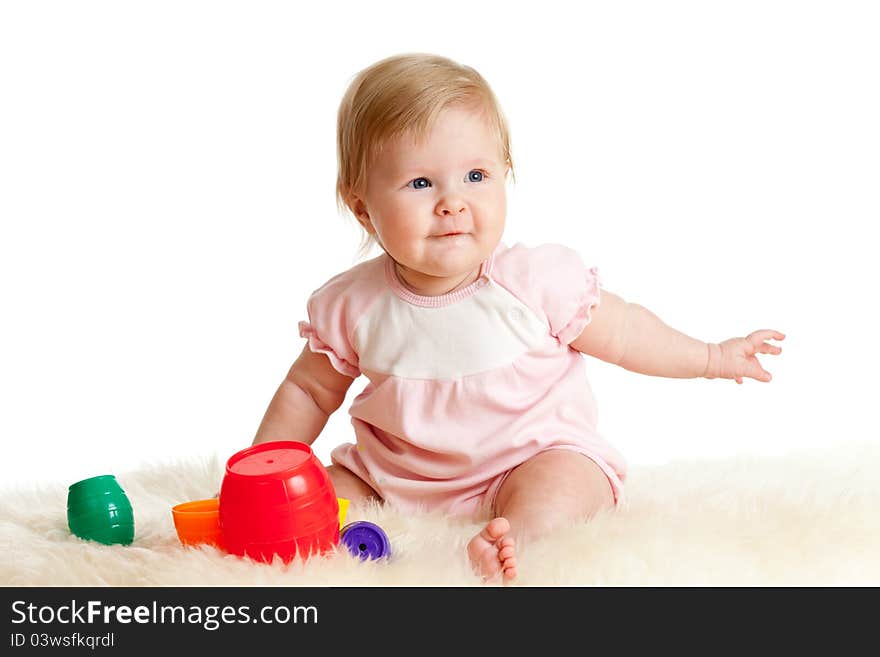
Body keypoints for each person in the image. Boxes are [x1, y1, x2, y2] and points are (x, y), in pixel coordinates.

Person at [252, 53, 785, 582]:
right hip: (395, 476)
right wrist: (262, 474)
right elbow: (308, 391)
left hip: (527, 458)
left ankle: (513, 544)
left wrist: (713, 356)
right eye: (420, 184)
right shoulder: (353, 304)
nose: (452, 203)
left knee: (563, 485)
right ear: (363, 207)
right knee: (320, 499)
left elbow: (625, 334)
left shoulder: (534, 280)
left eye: (476, 175)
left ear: (506, 175)